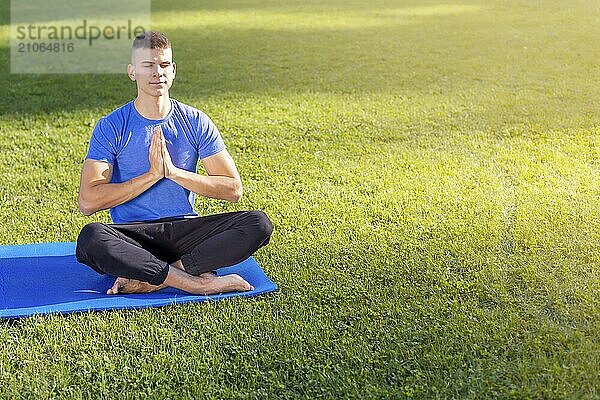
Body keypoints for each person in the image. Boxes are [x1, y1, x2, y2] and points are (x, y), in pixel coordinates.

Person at [75, 31, 273, 296]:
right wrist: (152, 175)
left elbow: (232, 189)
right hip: (135, 237)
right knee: (91, 238)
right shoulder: (112, 126)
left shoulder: (195, 120)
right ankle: (196, 282)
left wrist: (173, 173)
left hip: (185, 232)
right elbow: (88, 202)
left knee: (258, 223)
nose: (158, 72)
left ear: (174, 69)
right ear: (132, 72)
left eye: (164, 64)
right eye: (148, 65)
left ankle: (154, 278)